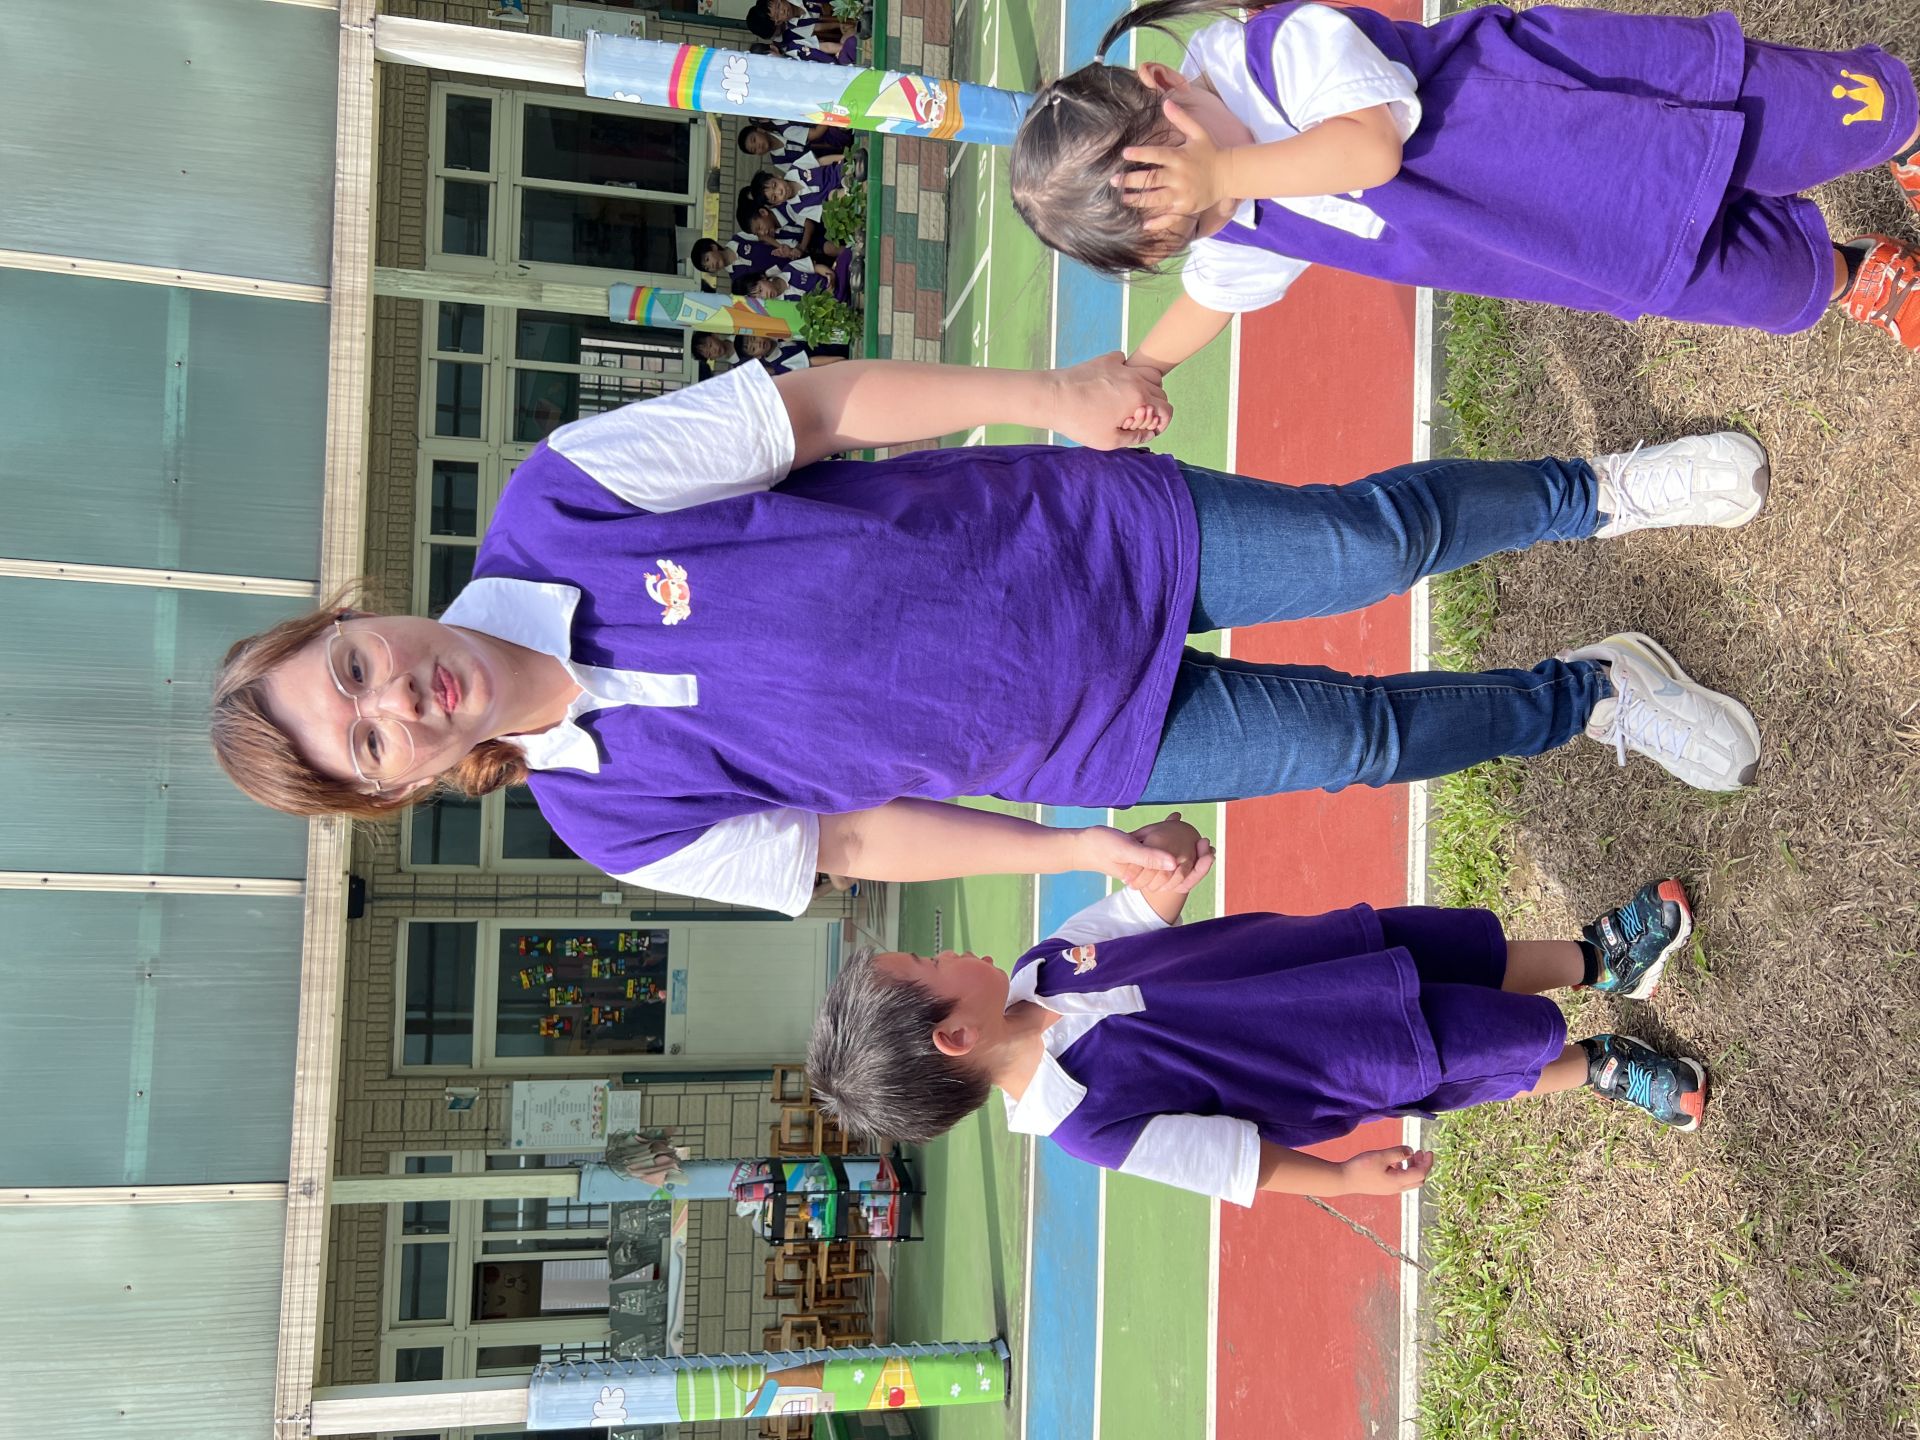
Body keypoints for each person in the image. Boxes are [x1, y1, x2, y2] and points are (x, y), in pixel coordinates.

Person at [210, 352, 1766, 914]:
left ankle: (1605, 492)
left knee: (1375, 541)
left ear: (359, 619)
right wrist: (1078, 854)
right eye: (368, 743)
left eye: (352, 669)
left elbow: (816, 411)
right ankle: (1591, 696)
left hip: (1077, 538)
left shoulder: (564, 500)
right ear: (398, 787)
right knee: (1361, 741)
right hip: (1080, 739)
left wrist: (1052, 397)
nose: (397, 699)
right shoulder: (611, 822)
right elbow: (853, 842)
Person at [806, 813, 1708, 1204]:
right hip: (1340, 1054)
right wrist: (1344, 1179)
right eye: (930, 961)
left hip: (1321, 956)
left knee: (1460, 959)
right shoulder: (1085, 1123)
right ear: (955, 1036)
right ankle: (1598, 1067)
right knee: (1471, 1048)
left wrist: (1164, 853)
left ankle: (1601, 960)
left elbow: (1142, 908)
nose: (948, 950)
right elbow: (1231, 1162)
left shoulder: (1042, 968)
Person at [1008, 1, 1920, 368]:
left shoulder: (1278, 52)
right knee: (1760, 283)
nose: (1217, 211)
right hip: (1580, 239)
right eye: (1193, 226)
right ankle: (1853, 272)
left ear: (1167, 86)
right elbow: (1212, 293)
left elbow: (1369, 149)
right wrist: (1144, 368)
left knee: (1809, 118)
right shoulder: (1231, 215)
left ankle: (1905, 131)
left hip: (1602, 112)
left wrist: (1225, 174)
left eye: (1196, 187)